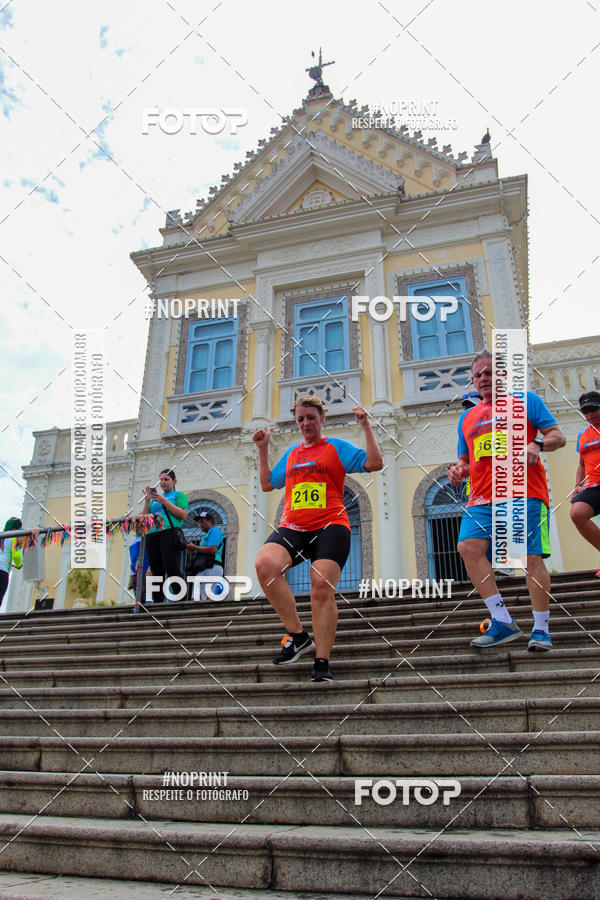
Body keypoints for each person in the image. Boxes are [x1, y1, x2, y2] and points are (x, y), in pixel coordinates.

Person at [253, 396, 383, 682]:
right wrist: (263, 449)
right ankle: (298, 636)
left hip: (330, 526)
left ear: (322, 418)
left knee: (321, 585)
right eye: (300, 419)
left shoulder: (335, 447)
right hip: (294, 526)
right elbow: (267, 484)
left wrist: (366, 427)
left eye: (311, 417)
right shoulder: (291, 454)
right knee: (265, 565)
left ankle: (322, 660)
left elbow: (374, 462)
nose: (305, 423)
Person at [448, 350, 566, 652]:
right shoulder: (468, 416)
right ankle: (501, 620)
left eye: (490, 373)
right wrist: (458, 471)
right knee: (467, 547)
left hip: (524, 492)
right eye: (479, 375)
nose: (484, 379)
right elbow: (465, 459)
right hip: (482, 497)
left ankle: (541, 629)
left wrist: (537, 443)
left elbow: (558, 435)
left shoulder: (526, 401)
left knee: (530, 559)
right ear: (473, 381)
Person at [141, 469, 189, 603]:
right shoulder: (153, 500)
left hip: (169, 533)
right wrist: (147, 501)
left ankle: (181, 600)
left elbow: (183, 515)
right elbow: (144, 518)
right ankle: (156, 602)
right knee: (156, 570)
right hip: (152, 534)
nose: (163, 482)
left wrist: (164, 501)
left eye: (166, 479)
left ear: (174, 481)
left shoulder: (178, 495)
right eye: (161, 479)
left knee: (172, 567)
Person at [570, 391, 600, 576]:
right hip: (595, 486)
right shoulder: (583, 436)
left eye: (593, 410)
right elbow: (581, 464)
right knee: (577, 512)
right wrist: (578, 485)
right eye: (585, 412)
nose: (589, 415)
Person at [186, 510, 224, 601]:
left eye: (203, 521)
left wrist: (194, 547)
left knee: (205, 599)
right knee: (195, 598)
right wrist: (192, 550)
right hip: (204, 568)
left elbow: (212, 549)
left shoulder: (214, 531)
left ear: (210, 521)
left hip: (212, 567)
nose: (200, 524)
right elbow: (203, 552)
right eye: (199, 523)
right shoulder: (206, 536)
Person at [0, 517, 23, 606]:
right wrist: (19, 564)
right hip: (3, 571)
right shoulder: (14, 537)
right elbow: (16, 555)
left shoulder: (2, 536)